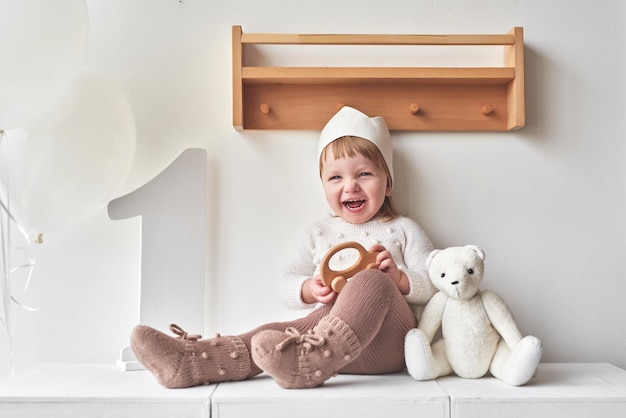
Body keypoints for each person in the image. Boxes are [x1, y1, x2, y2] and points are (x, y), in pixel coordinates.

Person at [130, 106, 437, 389]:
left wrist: (399, 279)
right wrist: (308, 288)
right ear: (324, 185)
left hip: (389, 347)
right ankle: (195, 361)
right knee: (275, 334)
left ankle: (309, 360)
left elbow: (436, 285)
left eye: (364, 174)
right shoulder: (319, 231)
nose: (350, 186)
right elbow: (285, 283)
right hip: (331, 351)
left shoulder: (402, 229)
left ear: (389, 182)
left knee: (372, 281)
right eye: (335, 177)